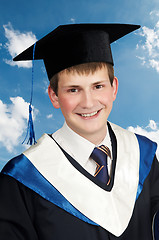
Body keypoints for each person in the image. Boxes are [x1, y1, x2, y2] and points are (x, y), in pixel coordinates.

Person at [0, 23, 159, 240]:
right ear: (54, 96)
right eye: (73, 90)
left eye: (98, 86)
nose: (88, 102)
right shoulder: (23, 178)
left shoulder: (142, 154)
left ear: (114, 88)